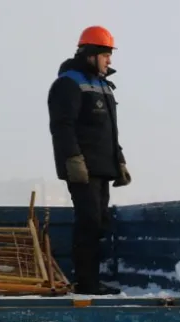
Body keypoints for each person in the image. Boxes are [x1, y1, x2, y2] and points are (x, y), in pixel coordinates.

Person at [48, 25, 131, 295]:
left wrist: (119, 160)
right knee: (89, 223)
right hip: (82, 169)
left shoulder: (103, 86)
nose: (109, 60)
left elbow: (109, 131)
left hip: (101, 168)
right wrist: (73, 160)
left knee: (99, 223)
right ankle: (87, 283)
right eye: (106, 54)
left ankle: (92, 280)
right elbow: (62, 126)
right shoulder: (68, 83)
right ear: (91, 54)